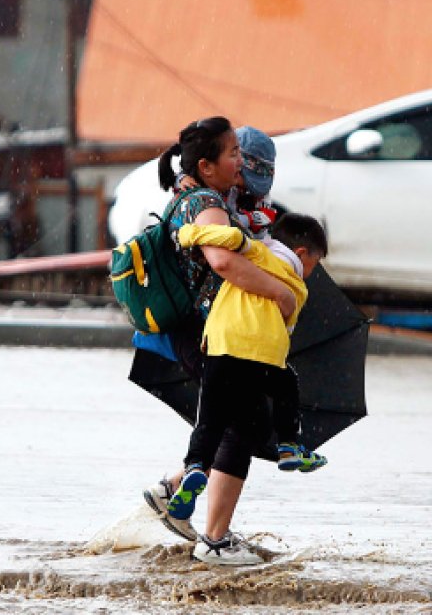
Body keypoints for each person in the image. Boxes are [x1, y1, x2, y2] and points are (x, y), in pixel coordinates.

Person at [140, 117, 297, 543]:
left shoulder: (207, 195)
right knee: (240, 423)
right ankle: (214, 537)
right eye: (234, 156)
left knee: (238, 420)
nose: (240, 166)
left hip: (205, 326)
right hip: (206, 328)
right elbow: (224, 261)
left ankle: (172, 493)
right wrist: (283, 295)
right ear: (208, 165)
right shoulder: (206, 202)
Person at [168, 213, 329, 566]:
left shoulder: (254, 250)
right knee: (287, 386)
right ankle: (289, 444)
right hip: (264, 354)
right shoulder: (298, 286)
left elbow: (224, 239)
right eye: (314, 264)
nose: (311, 273)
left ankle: (195, 466)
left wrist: (187, 233)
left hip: (223, 346)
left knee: (209, 421)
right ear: (302, 253)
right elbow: (286, 324)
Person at [175, 126, 278, 240]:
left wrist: (248, 219)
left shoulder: (260, 199)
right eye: (240, 175)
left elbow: (258, 231)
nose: (242, 185)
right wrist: (182, 178)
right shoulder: (200, 191)